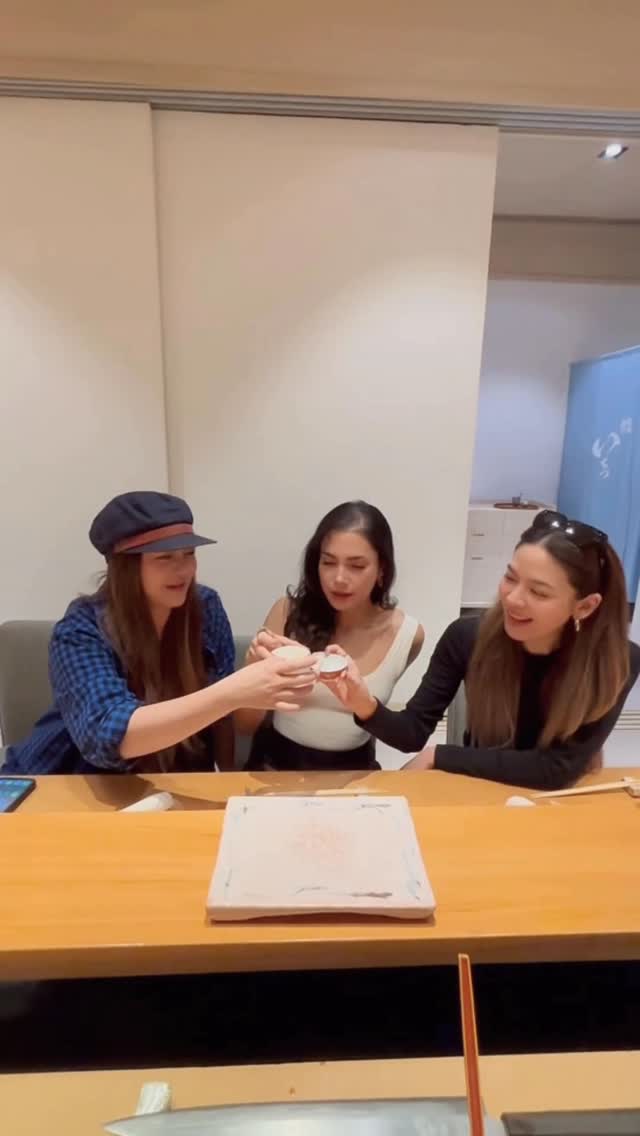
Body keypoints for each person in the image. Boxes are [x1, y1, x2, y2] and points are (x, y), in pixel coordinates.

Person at [319, 510, 640, 790]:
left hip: (557, 802)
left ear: (584, 606)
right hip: (477, 789)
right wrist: (362, 702)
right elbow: (412, 733)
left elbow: (558, 768)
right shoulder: (467, 637)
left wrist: (440, 756)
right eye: (510, 578)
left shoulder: (617, 661)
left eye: (539, 592)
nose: (513, 599)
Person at [5, 491, 317, 775]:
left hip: (174, 777)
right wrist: (233, 692)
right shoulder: (81, 629)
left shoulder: (205, 606)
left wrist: (225, 775)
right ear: (125, 567)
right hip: (71, 779)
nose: (183, 571)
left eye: (188, 554)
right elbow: (109, 736)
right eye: (164, 558)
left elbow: (220, 720)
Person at [236, 500, 424, 770]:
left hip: (355, 773)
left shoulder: (408, 635)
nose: (339, 578)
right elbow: (243, 725)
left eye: (356, 566)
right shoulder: (286, 613)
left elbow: (399, 730)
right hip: (276, 769)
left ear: (381, 570)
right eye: (328, 562)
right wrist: (254, 670)